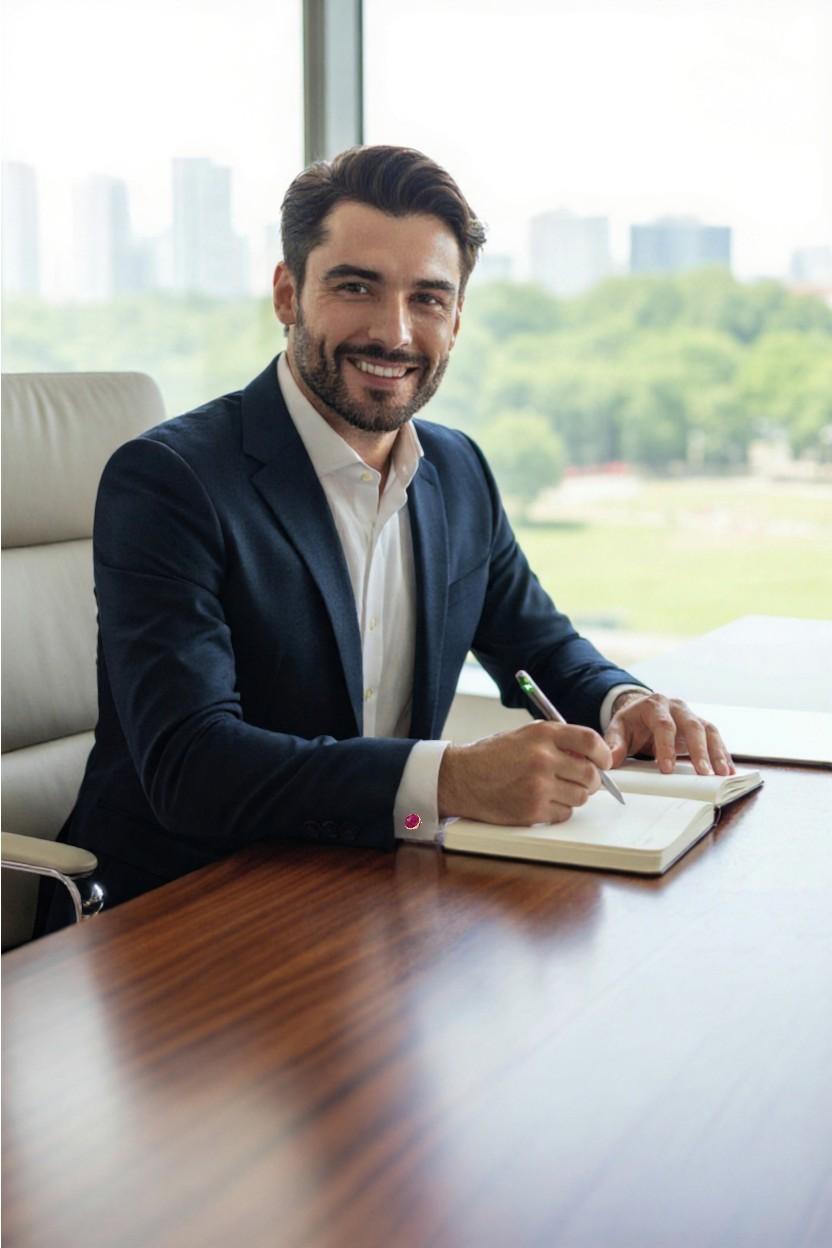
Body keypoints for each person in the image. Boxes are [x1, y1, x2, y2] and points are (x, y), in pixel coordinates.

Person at [39, 145, 732, 933]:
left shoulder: (459, 470)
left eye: (429, 299)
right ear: (287, 293)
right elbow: (191, 766)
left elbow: (540, 645)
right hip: (175, 919)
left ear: (458, 319)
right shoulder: (170, 480)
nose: (394, 332)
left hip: (365, 903)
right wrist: (454, 781)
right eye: (356, 286)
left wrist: (627, 701)